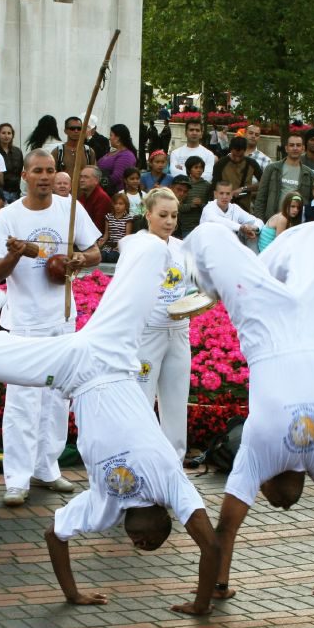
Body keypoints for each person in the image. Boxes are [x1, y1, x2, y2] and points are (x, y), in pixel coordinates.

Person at [0, 234, 220, 613]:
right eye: (153, 541)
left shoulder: (104, 506)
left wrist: (73, 594)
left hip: (72, 371)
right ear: (166, 519)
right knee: (150, 248)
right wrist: (203, 603)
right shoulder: (170, 481)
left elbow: (54, 536)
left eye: (140, 548)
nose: (141, 545)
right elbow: (211, 544)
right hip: (116, 351)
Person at [189, 222, 314, 599]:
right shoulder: (259, 449)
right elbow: (226, 527)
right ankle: (224, 272)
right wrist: (217, 588)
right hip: (264, 329)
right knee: (210, 238)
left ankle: (258, 269)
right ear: (265, 483)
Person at [0, 149, 102, 506]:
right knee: (22, 401)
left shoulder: (70, 210)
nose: (46, 176)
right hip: (23, 322)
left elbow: (96, 252)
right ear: (25, 175)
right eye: (38, 170)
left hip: (61, 318)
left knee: (56, 398)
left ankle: (47, 468)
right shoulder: (8, 216)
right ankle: (16, 479)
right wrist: (17, 253)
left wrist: (80, 258)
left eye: (51, 170)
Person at [133, 189, 192, 461]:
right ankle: (141, 459)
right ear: (148, 215)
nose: (169, 221)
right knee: (142, 400)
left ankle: (174, 462)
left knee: (176, 401)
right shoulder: (136, 247)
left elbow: (193, 288)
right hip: (148, 333)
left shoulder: (182, 248)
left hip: (179, 331)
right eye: (163, 215)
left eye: (174, 215)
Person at [252, 132, 314, 223]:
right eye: (291, 145)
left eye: (298, 145)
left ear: (303, 148)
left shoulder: (309, 174)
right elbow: (261, 197)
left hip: (296, 223)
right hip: (272, 221)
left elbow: (311, 202)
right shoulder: (272, 168)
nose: (295, 148)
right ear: (286, 148)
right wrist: (260, 222)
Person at [200, 180, 263, 248]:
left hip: (229, 247)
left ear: (231, 195)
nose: (225, 197)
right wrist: (241, 227)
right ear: (215, 194)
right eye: (221, 193)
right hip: (210, 247)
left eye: (228, 193)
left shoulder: (235, 208)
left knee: (253, 235)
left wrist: (255, 228)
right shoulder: (208, 208)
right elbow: (218, 221)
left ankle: (254, 258)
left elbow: (258, 221)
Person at [211, 136, 263, 213]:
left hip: (244, 208)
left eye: (240, 156)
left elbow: (264, 183)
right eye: (234, 156)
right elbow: (214, 188)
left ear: (245, 151)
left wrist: (244, 189)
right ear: (231, 150)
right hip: (223, 208)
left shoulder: (251, 163)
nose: (237, 159)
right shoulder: (221, 164)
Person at [97, 123, 138, 192]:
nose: (109, 138)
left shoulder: (126, 156)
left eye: (111, 135)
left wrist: (97, 183)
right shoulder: (113, 152)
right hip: (103, 190)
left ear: (117, 138)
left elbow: (116, 178)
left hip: (115, 195)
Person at [77, 165, 114, 235]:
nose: (81, 180)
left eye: (86, 177)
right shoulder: (83, 196)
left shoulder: (102, 198)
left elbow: (98, 228)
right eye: (81, 176)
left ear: (96, 180)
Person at [0, 122, 24, 203]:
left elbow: (21, 171)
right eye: (3, 133)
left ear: (12, 135)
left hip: (16, 191)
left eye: (9, 133)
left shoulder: (17, 151)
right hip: (0, 191)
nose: (6, 136)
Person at [102, 191, 132, 261]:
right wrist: (102, 242)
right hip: (110, 244)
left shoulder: (128, 218)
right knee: (102, 256)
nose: (117, 206)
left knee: (112, 257)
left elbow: (127, 236)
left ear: (126, 205)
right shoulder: (109, 217)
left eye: (120, 204)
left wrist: (121, 245)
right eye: (115, 204)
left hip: (121, 245)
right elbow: (106, 234)